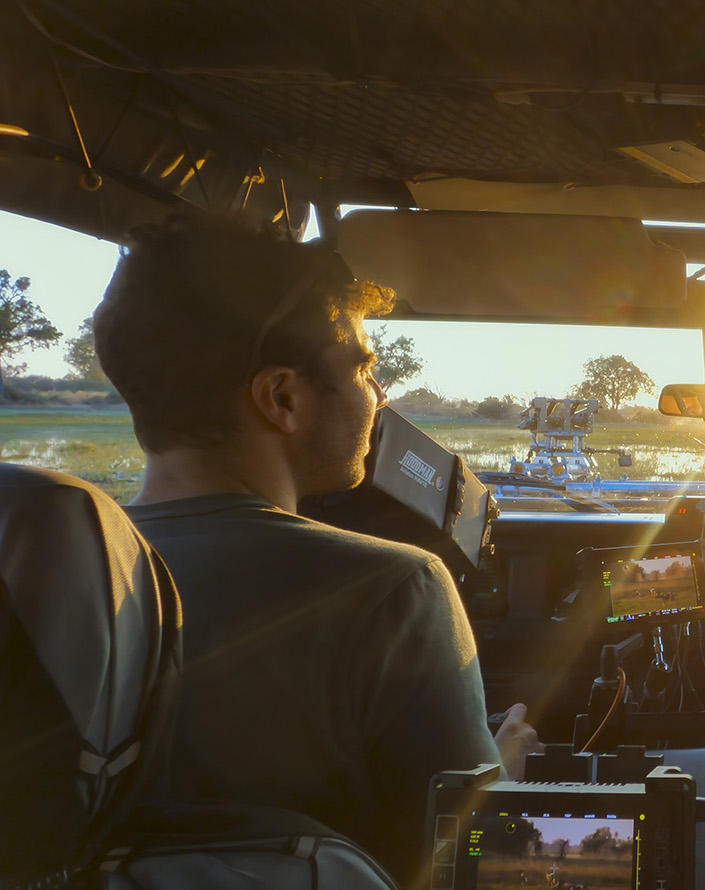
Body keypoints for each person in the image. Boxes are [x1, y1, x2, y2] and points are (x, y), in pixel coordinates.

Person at [93, 216, 541, 884]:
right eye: (362, 368)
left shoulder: (44, 582)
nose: (378, 395)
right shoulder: (396, 588)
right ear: (283, 397)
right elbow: (480, 864)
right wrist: (499, 777)